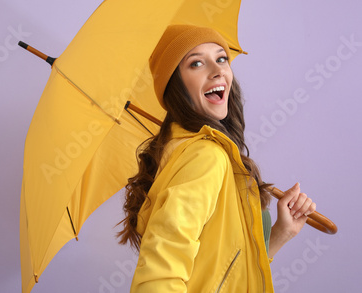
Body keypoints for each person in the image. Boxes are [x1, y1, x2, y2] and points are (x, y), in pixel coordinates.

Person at [117, 25, 316, 292]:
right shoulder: (207, 156)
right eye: (196, 63)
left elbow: (219, 271)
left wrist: (280, 234)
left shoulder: (183, 151)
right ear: (175, 85)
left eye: (221, 58)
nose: (217, 69)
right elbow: (160, 271)